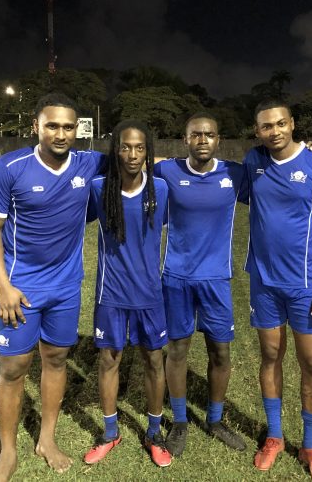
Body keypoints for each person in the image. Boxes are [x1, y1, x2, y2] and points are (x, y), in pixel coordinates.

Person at [0, 92, 106, 481]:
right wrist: (3, 287)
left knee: (55, 360)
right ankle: (7, 453)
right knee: (15, 368)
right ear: (37, 126)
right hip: (21, 289)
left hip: (66, 287)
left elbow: (134, 155)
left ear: (78, 129)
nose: (61, 133)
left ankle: (47, 439)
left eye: (69, 126)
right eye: (52, 125)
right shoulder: (10, 167)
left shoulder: (89, 163)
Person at [243, 99, 312, 482]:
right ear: (258, 131)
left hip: (305, 285)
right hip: (263, 282)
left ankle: (311, 446)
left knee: (311, 363)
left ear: (292, 124)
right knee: (270, 356)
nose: (275, 131)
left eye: (281, 123)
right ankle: (274, 436)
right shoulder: (254, 162)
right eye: (267, 126)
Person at [153, 113, 247, 456]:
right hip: (175, 277)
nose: (203, 140)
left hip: (216, 279)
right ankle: (179, 421)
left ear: (218, 140)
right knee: (177, 351)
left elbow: (275, 182)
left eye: (209, 134)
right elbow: (130, 169)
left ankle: (216, 419)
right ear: (185, 139)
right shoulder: (167, 171)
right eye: (196, 135)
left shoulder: (235, 175)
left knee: (220, 351)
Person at [83, 120, 172, 468]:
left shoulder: (161, 190)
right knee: (109, 360)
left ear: (147, 150)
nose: (132, 154)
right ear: (115, 149)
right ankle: (109, 433)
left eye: (139, 147)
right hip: (111, 292)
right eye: (125, 147)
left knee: (153, 360)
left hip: (150, 293)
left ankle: (154, 432)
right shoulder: (98, 188)